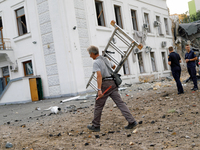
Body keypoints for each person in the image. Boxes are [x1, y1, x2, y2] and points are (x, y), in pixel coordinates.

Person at [87, 45, 137, 132]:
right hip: (113, 84)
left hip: (105, 85)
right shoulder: (105, 59)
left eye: (89, 54)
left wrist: (99, 90)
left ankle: (95, 125)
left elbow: (99, 76)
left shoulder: (96, 62)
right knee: (120, 103)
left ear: (92, 53)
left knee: (98, 105)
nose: (89, 56)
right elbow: (113, 67)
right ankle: (132, 121)